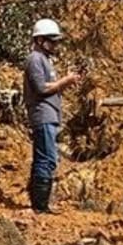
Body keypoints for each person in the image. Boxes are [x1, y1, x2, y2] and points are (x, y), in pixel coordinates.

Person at [23, 18, 82, 214]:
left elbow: (50, 88)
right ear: (40, 40)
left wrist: (63, 82)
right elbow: (41, 88)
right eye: (52, 40)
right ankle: (40, 205)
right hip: (43, 114)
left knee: (44, 157)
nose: (55, 45)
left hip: (48, 114)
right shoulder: (35, 59)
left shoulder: (44, 60)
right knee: (47, 158)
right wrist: (66, 80)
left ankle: (38, 202)